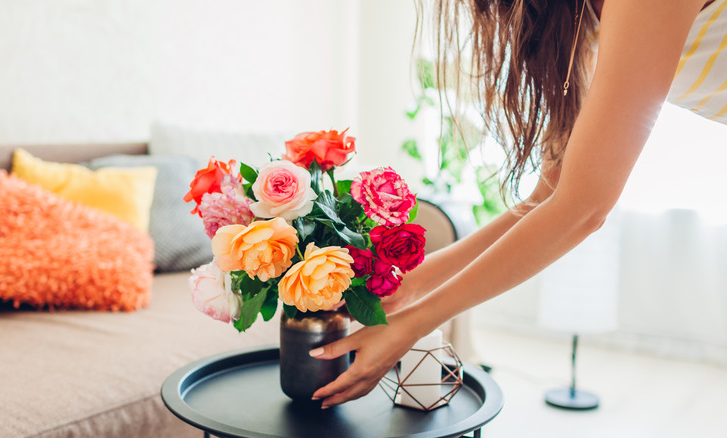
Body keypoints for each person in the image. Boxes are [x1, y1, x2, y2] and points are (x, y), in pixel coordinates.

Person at [311, 0, 727, 409]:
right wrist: (412, 284)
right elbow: (547, 197)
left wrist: (411, 324)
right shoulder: (577, 16)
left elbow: (584, 208)